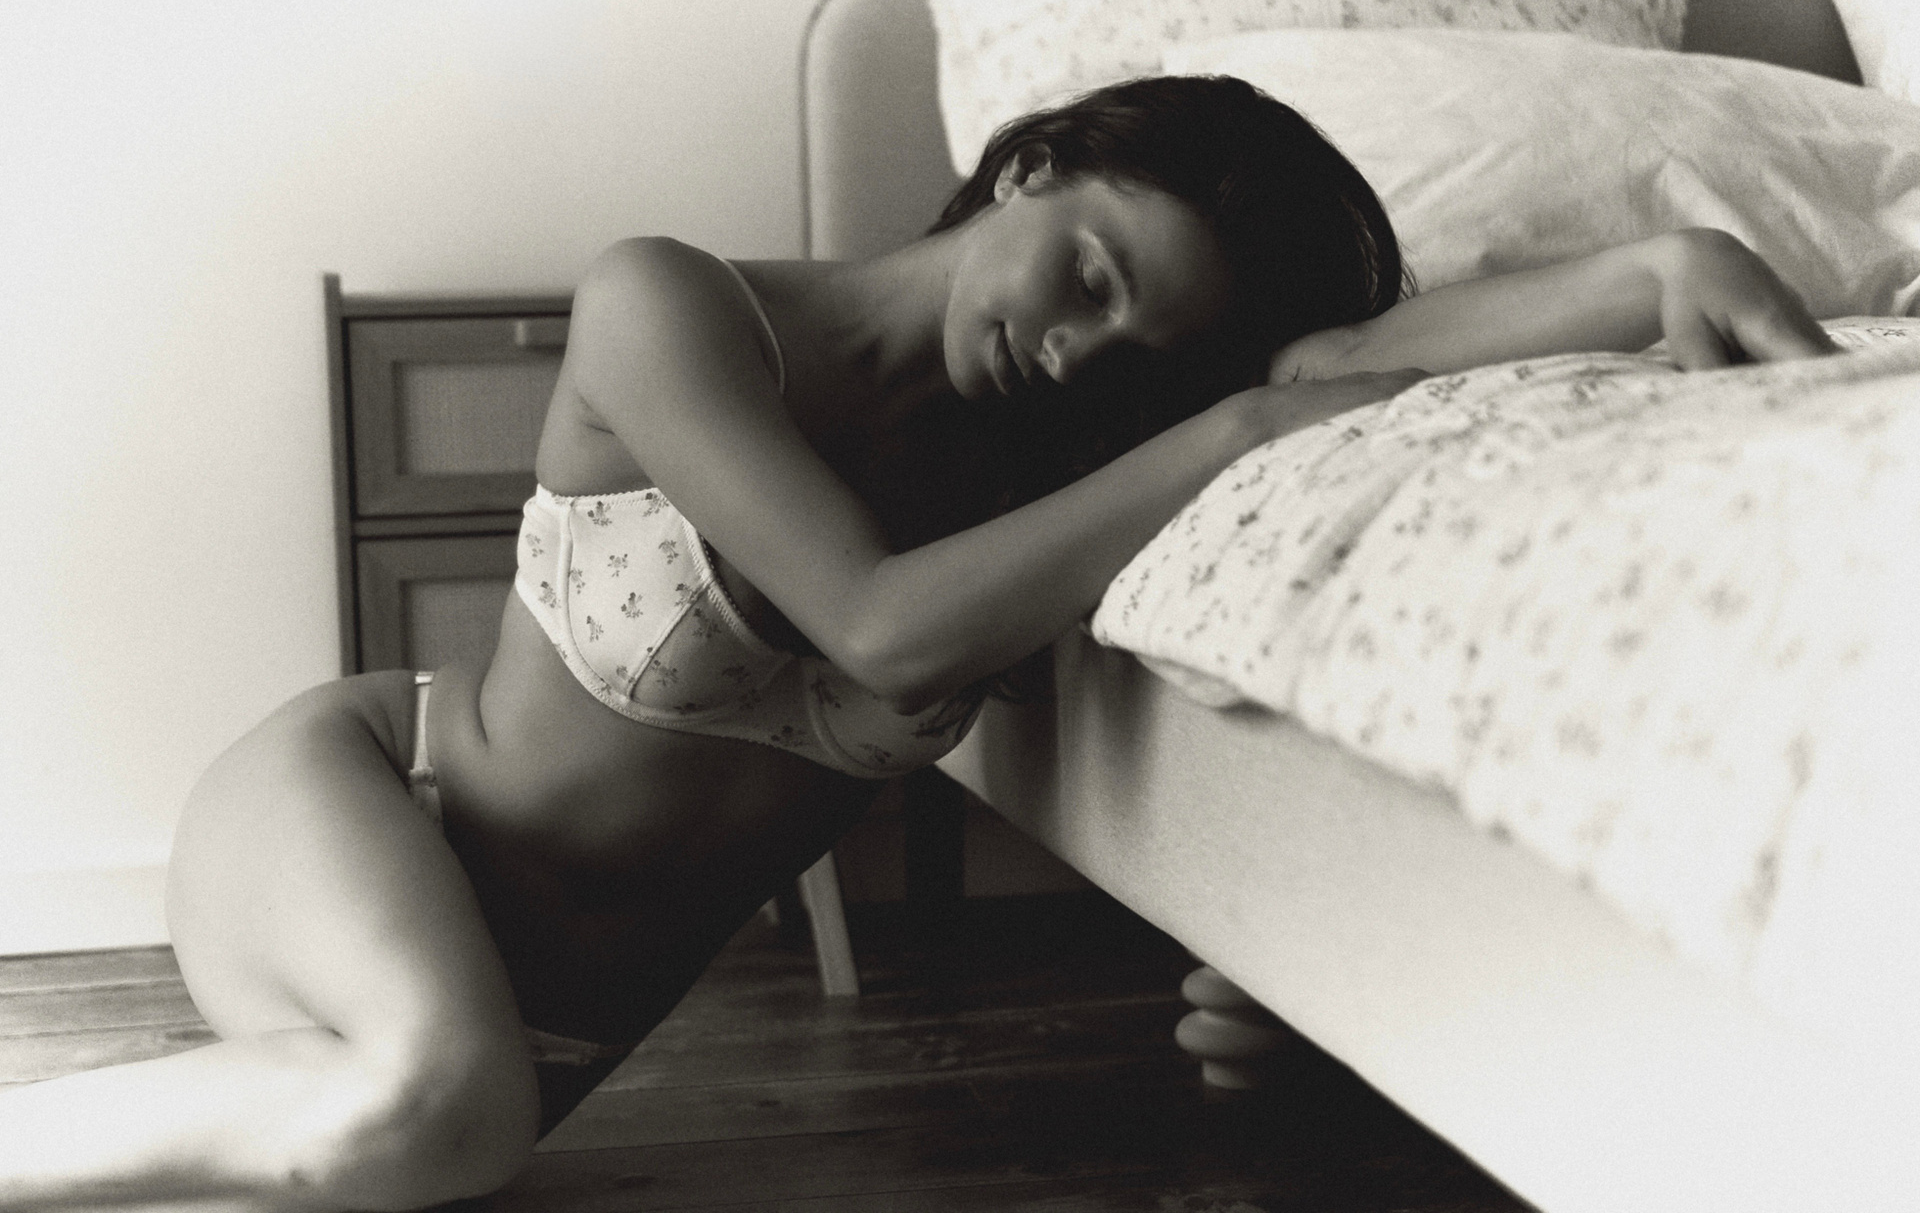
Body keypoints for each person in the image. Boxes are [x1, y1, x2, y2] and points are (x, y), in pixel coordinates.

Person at [0, 75, 1834, 1212]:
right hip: (363, 811)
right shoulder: (672, 304)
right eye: (1092, 276)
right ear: (1031, 166)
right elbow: (880, 629)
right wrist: (1230, 426)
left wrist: (1652, 269)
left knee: (405, 1141)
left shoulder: (1051, 460)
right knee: (427, 1109)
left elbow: (1333, 368)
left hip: (532, 1038)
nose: (1078, 352)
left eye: (1140, 360)